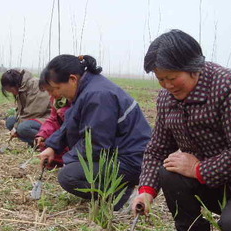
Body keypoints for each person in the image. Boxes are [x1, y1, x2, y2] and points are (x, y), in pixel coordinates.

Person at [131, 29, 231, 231]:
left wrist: (199, 169)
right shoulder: (166, 99)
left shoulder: (229, 87)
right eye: (161, 79)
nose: (168, 86)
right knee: (170, 170)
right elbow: (157, 149)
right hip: (215, 185)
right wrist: (146, 191)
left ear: (193, 69)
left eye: (172, 78)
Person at [38, 55, 152, 211]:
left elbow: (96, 144)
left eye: (57, 88)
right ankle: (118, 189)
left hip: (133, 160)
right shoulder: (87, 89)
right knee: (73, 168)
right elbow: (71, 122)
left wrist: (67, 160)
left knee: (68, 176)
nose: (55, 95)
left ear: (72, 79)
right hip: (121, 154)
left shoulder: (97, 95)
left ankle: (124, 196)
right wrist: (52, 147)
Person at [1, 69, 51, 147]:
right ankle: (33, 143)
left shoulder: (36, 85)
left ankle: (48, 143)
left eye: (11, 90)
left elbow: (33, 112)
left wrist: (16, 128)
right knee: (10, 121)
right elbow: (21, 112)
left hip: (46, 117)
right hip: (34, 118)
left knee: (22, 128)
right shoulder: (21, 88)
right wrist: (15, 126)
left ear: (15, 85)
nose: (11, 93)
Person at [35, 69, 71, 168]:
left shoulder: (74, 99)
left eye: (52, 90)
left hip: (71, 138)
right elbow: (53, 119)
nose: (50, 94)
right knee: (46, 147)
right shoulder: (56, 100)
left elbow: (72, 125)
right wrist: (43, 134)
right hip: (62, 136)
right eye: (48, 91)